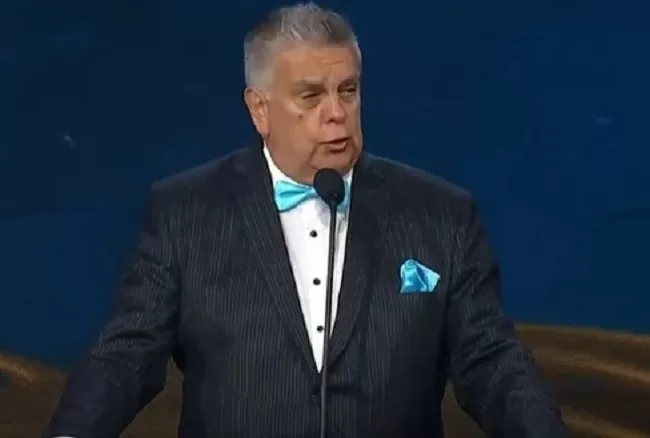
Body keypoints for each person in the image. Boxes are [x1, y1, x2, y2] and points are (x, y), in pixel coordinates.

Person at [45, 3, 569, 437]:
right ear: (260, 110)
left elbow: (491, 359)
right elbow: (126, 357)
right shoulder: (185, 212)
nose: (336, 112)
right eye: (311, 96)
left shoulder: (440, 214)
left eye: (348, 91)